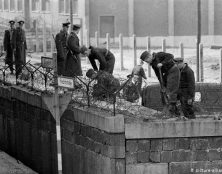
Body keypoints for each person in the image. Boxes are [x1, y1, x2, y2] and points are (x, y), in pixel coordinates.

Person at [140, 51, 180, 117]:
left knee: (171, 89)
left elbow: (171, 56)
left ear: (149, 56)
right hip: (167, 73)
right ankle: (170, 109)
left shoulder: (159, 55)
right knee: (163, 91)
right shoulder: (153, 65)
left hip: (173, 70)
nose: (147, 63)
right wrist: (162, 86)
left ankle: (171, 110)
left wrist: (162, 63)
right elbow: (159, 75)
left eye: (147, 61)